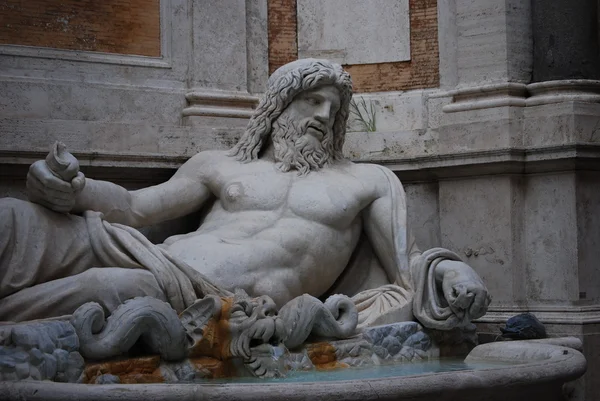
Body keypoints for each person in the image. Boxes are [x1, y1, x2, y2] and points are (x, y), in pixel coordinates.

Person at [0, 59, 490, 329]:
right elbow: (134, 207)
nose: (323, 114)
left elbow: (406, 267)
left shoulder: (367, 181)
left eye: (333, 107)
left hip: (202, 299)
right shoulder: (220, 164)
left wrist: (452, 268)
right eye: (311, 100)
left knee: (104, 291)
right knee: (12, 220)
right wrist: (74, 190)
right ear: (279, 107)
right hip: (152, 254)